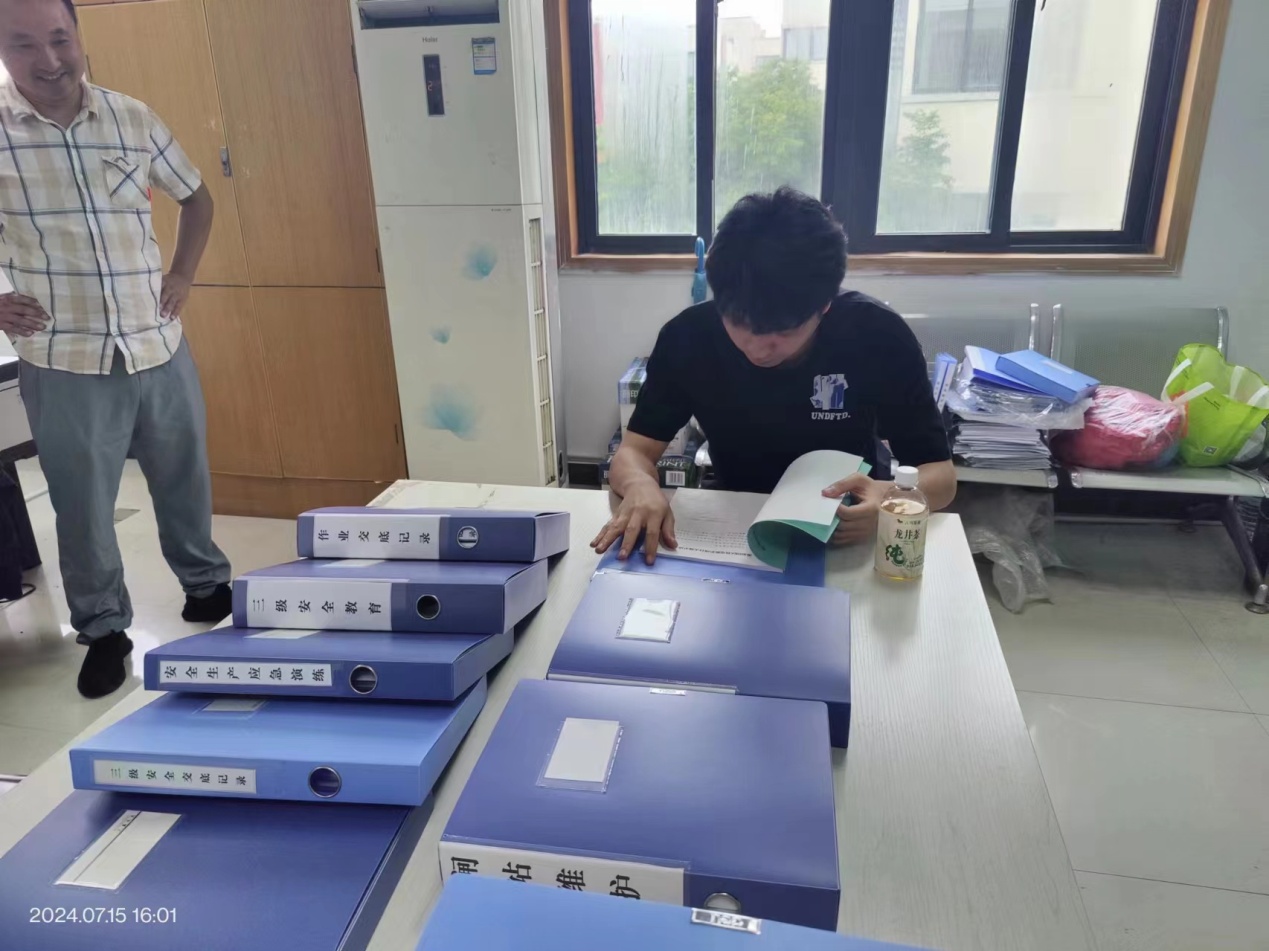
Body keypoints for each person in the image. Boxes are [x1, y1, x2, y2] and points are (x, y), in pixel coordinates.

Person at [0, 0, 232, 698]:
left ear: (78, 36)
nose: (49, 60)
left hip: (157, 342)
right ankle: (104, 630)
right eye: (24, 44)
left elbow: (197, 198)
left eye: (59, 39)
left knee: (184, 477)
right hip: (63, 356)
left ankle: (206, 587)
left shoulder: (131, 117)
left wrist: (182, 274)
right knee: (83, 507)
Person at [593, 187, 956, 563]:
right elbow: (633, 452)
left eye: (782, 333)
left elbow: (941, 477)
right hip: (735, 518)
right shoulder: (687, 337)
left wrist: (888, 498)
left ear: (824, 306)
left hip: (844, 525)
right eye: (739, 326)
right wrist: (640, 484)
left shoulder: (878, 335)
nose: (757, 349)